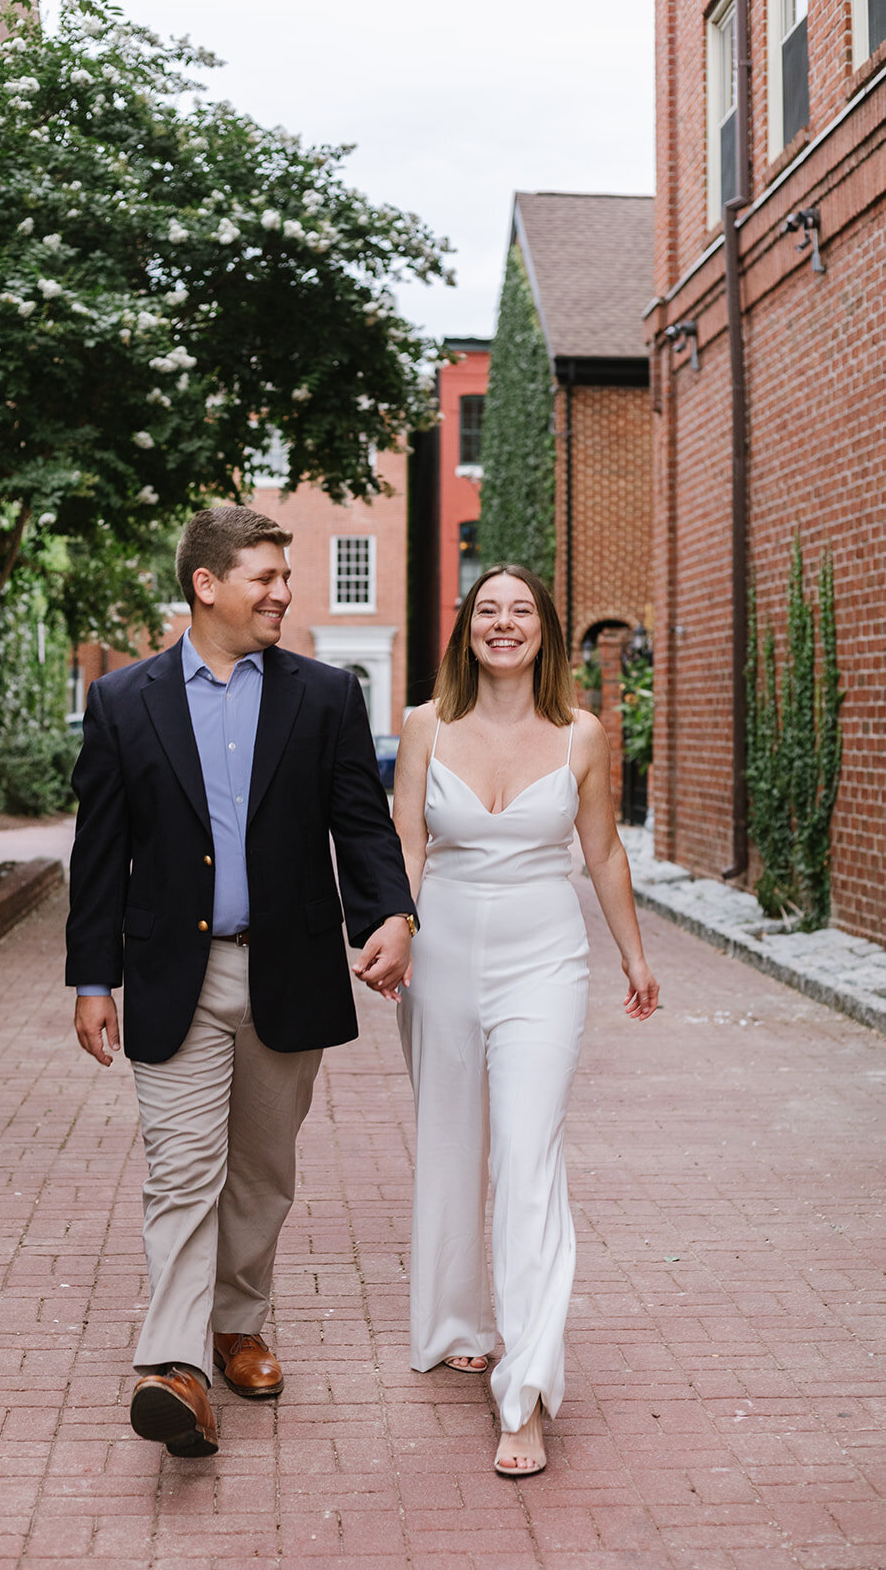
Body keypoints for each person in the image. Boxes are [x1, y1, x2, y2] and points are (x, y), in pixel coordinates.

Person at [66, 504, 417, 1458]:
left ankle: (236, 1325)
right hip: (175, 973)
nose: (283, 593)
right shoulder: (125, 702)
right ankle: (173, 1366)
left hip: (288, 969)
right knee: (182, 1173)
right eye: (263, 577)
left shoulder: (325, 694)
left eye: (284, 577)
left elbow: (360, 820)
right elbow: (100, 855)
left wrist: (389, 913)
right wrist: (92, 978)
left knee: (261, 1175)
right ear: (205, 585)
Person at [392, 564, 658, 1477]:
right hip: (443, 958)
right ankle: (454, 1324)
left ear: (543, 630)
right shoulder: (423, 725)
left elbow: (603, 852)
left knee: (527, 1155)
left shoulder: (581, 733)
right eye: (486, 611)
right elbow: (407, 846)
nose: (502, 624)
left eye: (520, 612)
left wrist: (632, 954)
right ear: (466, 629)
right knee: (449, 1140)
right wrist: (394, 933)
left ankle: (527, 1388)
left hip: (545, 963)